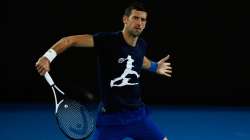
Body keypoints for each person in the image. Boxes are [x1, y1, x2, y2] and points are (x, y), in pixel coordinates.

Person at [35, 2, 172, 140]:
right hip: (111, 121)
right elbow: (70, 40)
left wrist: (155, 66)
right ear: (125, 19)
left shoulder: (142, 44)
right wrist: (47, 57)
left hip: (138, 116)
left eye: (143, 20)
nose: (139, 23)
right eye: (135, 18)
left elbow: (140, 59)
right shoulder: (108, 41)